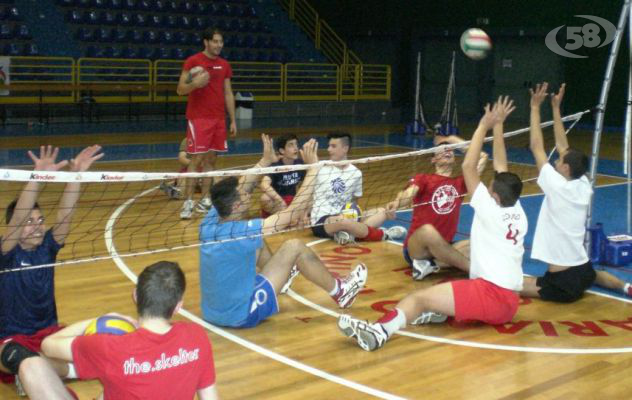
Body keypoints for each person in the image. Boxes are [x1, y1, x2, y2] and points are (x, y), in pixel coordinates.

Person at [338, 97, 528, 351]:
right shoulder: (517, 209)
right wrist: (500, 126)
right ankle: (441, 306)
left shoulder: (488, 208)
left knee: (418, 299)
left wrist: (485, 124)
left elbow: (471, 164)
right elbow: (501, 167)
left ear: (493, 196)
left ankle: (378, 332)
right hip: (508, 299)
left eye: (489, 186)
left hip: (491, 294)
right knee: (452, 267)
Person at [200, 134, 368, 328]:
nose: (249, 192)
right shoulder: (242, 231)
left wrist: (265, 161)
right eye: (246, 195)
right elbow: (293, 212)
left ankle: (281, 278)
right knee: (294, 247)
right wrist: (313, 169)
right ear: (237, 206)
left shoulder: (210, 221)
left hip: (212, 312)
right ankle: (341, 291)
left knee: (258, 241)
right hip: (241, 314)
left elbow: (242, 184)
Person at [0, 145, 103, 396]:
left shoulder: (47, 248)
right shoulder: (6, 255)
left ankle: (40, 373)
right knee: (23, 359)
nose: (36, 227)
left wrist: (75, 176)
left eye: (40, 221)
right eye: (28, 222)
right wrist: (38, 177)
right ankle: (38, 371)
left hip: (49, 336)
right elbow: (17, 218)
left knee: (101, 339)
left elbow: (66, 216)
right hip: (11, 340)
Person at [41, 261, 219, 400]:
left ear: (135, 295)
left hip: (107, 356)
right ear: (177, 307)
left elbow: (48, 345)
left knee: (30, 366)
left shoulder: (111, 346)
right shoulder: (197, 337)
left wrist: (98, 320)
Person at [522, 82, 632, 302]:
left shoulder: (557, 185)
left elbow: (536, 146)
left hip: (562, 281)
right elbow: (564, 146)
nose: (556, 159)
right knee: (595, 275)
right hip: (582, 269)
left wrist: (535, 108)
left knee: (513, 284)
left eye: (559, 160)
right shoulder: (582, 183)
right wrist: (555, 108)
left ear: (565, 168)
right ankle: (626, 286)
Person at [385, 135, 488, 280]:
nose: (447, 151)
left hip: (443, 248)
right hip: (417, 247)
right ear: (433, 159)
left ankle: (430, 265)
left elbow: (482, 156)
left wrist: (452, 140)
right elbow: (409, 193)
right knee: (428, 231)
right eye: (441, 150)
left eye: (450, 150)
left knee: (480, 242)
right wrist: (397, 203)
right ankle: (474, 271)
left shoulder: (461, 183)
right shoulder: (424, 178)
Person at [177, 27, 237, 219]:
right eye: (215, 41)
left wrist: (233, 119)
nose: (219, 45)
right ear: (206, 42)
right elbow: (180, 89)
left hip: (219, 119)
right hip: (199, 119)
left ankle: (204, 200)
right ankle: (187, 204)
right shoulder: (193, 62)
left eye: (221, 42)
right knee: (196, 160)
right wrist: (195, 84)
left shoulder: (225, 65)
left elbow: (227, 92)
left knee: (212, 160)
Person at [310, 132, 407, 245]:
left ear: (345, 148)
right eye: (329, 146)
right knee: (343, 221)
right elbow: (308, 194)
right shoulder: (320, 168)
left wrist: (355, 214)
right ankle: (383, 235)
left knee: (382, 212)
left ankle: (349, 233)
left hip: (346, 215)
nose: (328, 149)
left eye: (333, 146)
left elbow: (354, 201)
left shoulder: (356, 173)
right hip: (322, 221)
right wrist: (304, 214)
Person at [260, 134, 306, 218]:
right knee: (265, 198)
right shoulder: (275, 166)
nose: (295, 148)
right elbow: (264, 184)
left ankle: (286, 217)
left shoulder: (300, 163)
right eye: (290, 145)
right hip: (277, 202)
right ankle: (288, 217)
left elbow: (304, 184)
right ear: (282, 150)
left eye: (296, 144)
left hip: (292, 200)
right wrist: (279, 200)